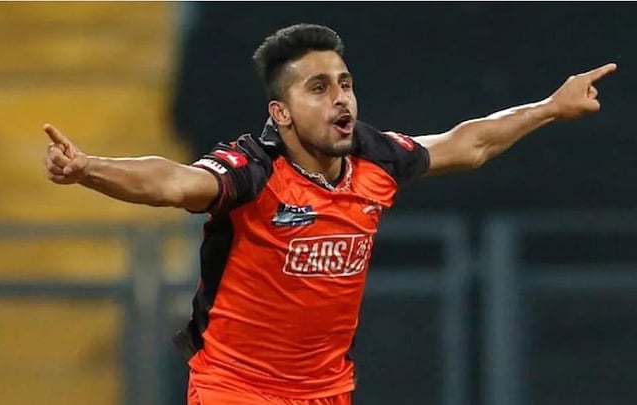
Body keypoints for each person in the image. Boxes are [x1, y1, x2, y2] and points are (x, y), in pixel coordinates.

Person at [43, 23, 616, 405]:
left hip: (328, 390)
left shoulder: (375, 158)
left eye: (345, 84)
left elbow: (468, 145)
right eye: (318, 88)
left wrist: (550, 108)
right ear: (282, 113)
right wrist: (88, 169)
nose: (340, 98)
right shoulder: (253, 170)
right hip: (236, 388)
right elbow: (172, 182)